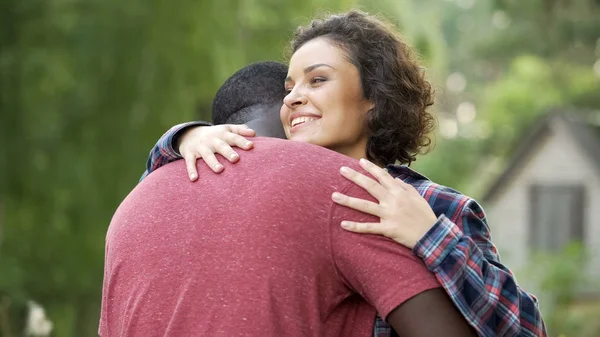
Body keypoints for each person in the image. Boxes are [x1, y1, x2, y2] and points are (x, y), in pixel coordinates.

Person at [140, 11, 546, 337]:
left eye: (317, 80)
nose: (295, 96)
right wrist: (181, 138)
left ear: (373, 97)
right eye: (290, 87)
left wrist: (431, 236)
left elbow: (527, 329)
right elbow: (156, 204)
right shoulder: (270, 198)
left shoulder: (439, 207)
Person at [100, 61, 477, 336]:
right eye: (294, 90)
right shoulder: (341, 186)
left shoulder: (132, 205)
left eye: (316, 82)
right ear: (288, 113)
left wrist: (182, 135)